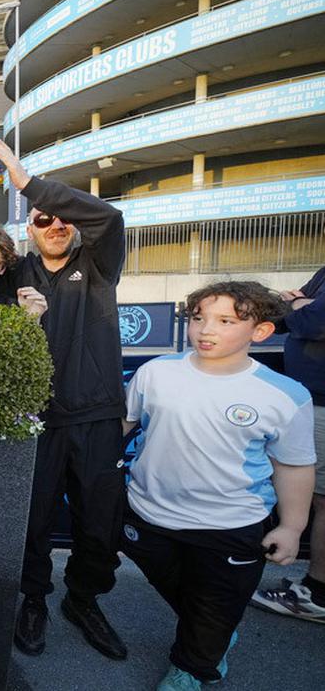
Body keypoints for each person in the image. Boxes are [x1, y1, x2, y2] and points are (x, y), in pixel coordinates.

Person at [0, 141, 129, 660]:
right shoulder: (12, 273)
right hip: (34, 420)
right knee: (34, 519)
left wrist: (26, 184)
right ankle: (33, 599)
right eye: (43, 219)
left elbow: (109, 217)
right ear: (30, 229)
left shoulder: (98, 262)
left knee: (99, 521)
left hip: (95, 417)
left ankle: (85, 599)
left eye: (63, 220)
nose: (55, 226)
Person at [121, 281, 315, 690]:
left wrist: (292, 527)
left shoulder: (285, 394)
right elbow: (123, 425)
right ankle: (216, 629)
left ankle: (192, 667)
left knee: (214, 607)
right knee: (201, 603)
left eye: (226, 321)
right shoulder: (155, 372)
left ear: (259, 331)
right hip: (149, 512)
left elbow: (294, 466)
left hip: (232, 523)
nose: (205, 330)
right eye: (198, 318)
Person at [250, 265, 325, 623]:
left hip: (321, 399)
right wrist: (301, 304)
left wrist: (302, 306)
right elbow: (282, 314)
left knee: (322, 498)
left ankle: (317, 594)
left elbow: (313, 321)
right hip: (310, 395)